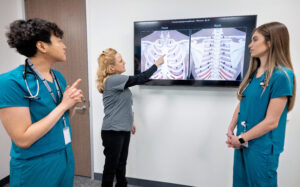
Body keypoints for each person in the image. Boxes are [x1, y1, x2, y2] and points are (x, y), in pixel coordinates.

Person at [0, 18, 84, 187]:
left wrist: (71, 105)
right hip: (35, 164)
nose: (64, 46)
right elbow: (22, 139)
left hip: (65, 156)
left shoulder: (58, 77)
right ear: (42, 46)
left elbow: (63, 118)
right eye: (59, 41)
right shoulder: (10, 82)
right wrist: (63, 105)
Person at [226, 22, 296, 187]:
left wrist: (241, 139)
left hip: (261, 148)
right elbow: (243, 102)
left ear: (270, 42)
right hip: (242, 142)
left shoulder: (282, 76)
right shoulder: (253, 74)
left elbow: (272, 121)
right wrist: (231, 129)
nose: (250, 45)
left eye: (255, 40)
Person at [96, 48, 165, 187]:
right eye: (121, 60)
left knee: (120, 165)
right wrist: (157, 64)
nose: (124, 62)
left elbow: (122, 105)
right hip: (112, 131)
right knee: (111, 167)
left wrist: (130, 121)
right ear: (111, 67)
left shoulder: (118, 82)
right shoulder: (114, 79)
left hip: (123, 129)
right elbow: (141, 78)